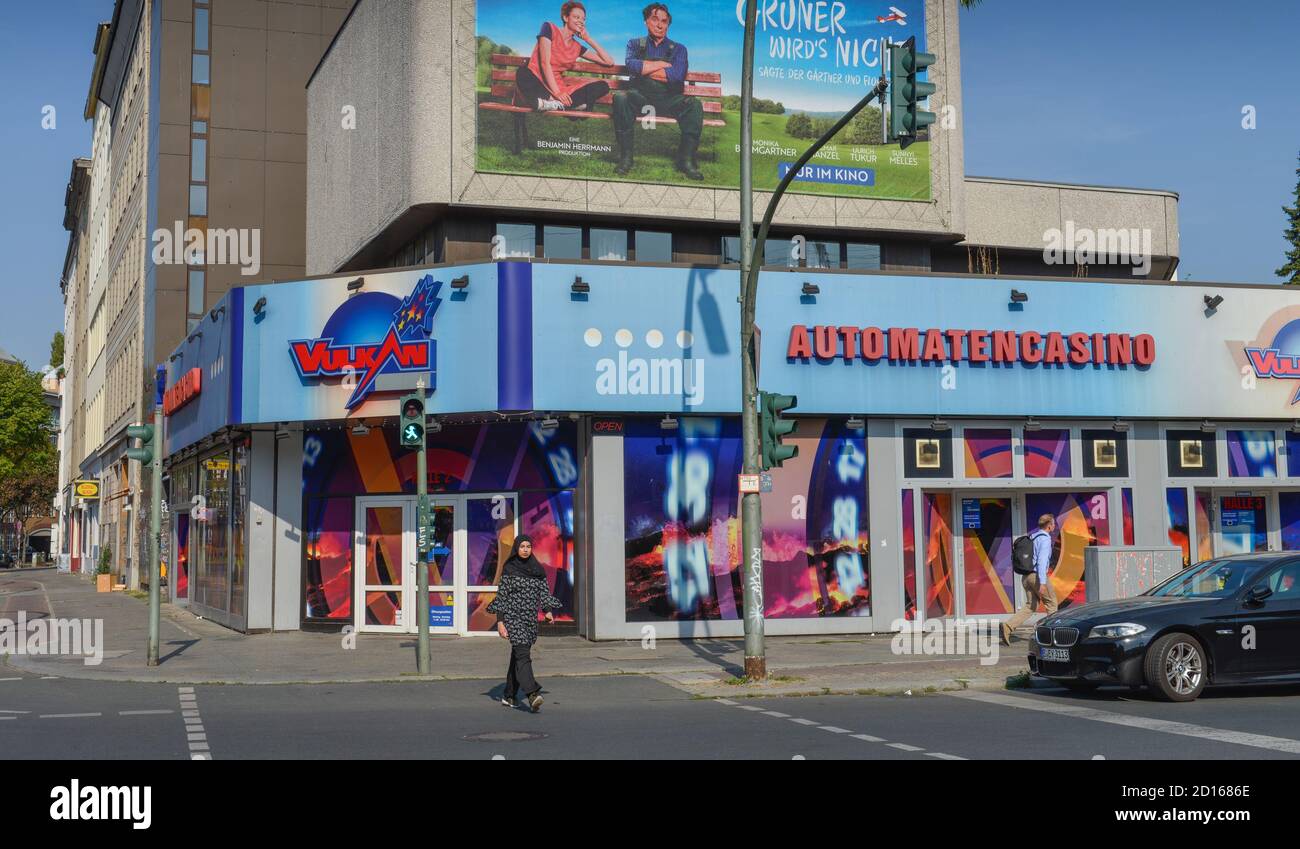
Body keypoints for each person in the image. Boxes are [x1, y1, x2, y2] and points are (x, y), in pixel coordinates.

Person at [611, 3, 704, 180]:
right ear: (646, 21)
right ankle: (625, 158)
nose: (660, 25)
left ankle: (686, 161)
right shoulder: (634, 44)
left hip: (668, 99)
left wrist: (646, 68)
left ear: (668, 24)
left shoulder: (679, 49)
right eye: (655, 20)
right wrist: (663, 65)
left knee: (694, 105)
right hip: (640, 97)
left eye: (664, 21)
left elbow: (676, 76)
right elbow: (632, 66)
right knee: (621, 98)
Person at [487, 534, 563, 712]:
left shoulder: (537, 569)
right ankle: (532, 694)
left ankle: (509, 695)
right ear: (516, 548)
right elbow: (502, 597)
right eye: (522, 546)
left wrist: (548, 611)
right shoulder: (509, 569)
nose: (526, 549)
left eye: (528, 546)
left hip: (530, 620)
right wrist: (500, 622)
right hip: (513, 619)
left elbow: (544, 593)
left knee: (518, 656)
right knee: (523, 655)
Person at [515, 1, 616, 113]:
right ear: (565, 18)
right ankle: (564, 104)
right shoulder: (549, 28)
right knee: (523, 72)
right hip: (538, 81)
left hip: (561, 91)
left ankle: (554, 105)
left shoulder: (577, 47)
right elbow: (545, 63)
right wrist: (557, 93)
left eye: (583, 19)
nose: (581, 21)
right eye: (576, 17)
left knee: (603, 86)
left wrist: (588, 39)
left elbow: (609, 62)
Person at [1001, 514, 1058, 645]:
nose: (1054, 526)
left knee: (1032, 605)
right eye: (1053, 524)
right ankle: (1052, 637)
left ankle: (1008, 626)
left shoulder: (1033, 536)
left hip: (1026, 576)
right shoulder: (1045, 539)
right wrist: (1042, 582)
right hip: (1036, 576)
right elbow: (1042, 561)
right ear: (1049, 526)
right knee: (1052, 603)